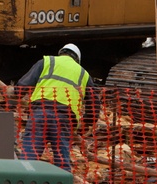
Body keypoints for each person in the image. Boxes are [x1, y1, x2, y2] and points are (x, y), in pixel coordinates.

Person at [11, 43, 97, 172]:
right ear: (77, 59)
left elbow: (25, 84)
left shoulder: (47, 62)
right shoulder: (83, 74)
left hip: (40, 114)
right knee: (62, 162)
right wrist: (84, 125)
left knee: (29, 159)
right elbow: (94, 106)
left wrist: (15, 93)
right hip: (64, 120)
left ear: (61, 53)